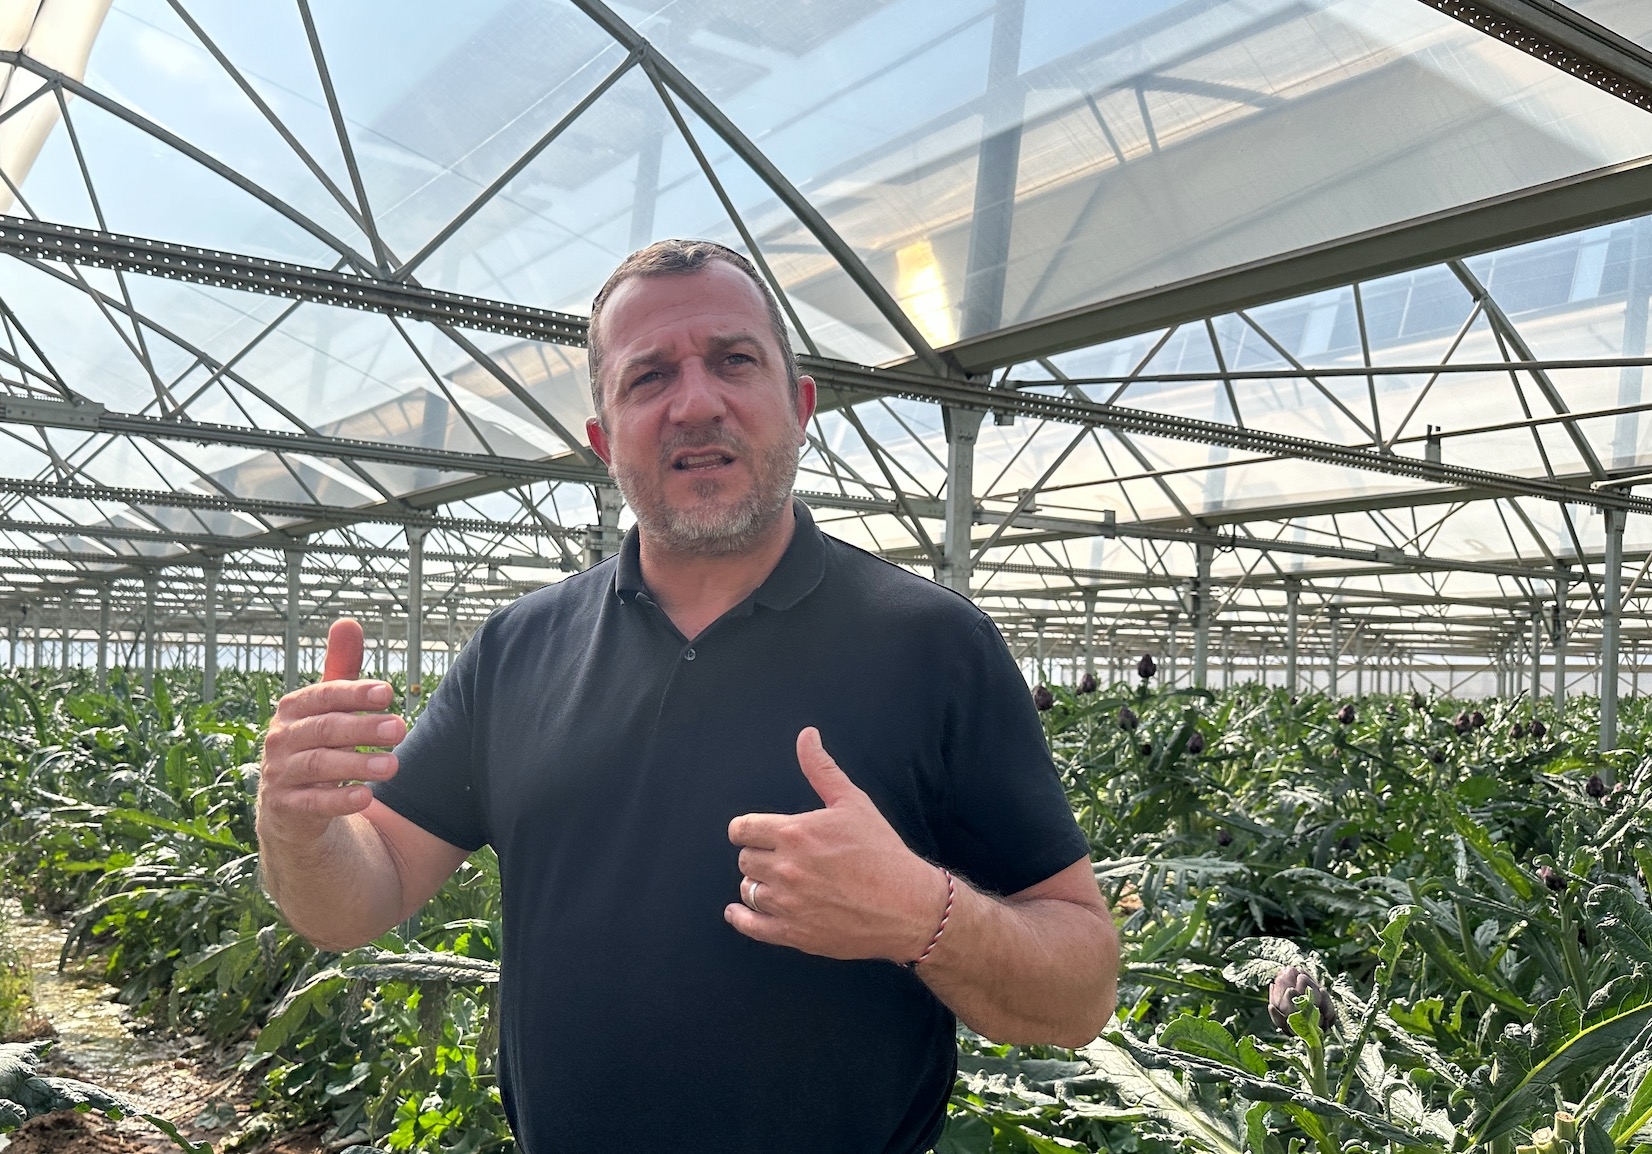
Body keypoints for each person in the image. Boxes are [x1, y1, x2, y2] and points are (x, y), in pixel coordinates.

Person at [256, 240, 1117, 1152]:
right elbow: (359, 898)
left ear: (800, 405)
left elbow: (1081, 991)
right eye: (648, 377)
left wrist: (923, 915)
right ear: (603, 441)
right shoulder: (517, 651)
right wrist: (297, 824)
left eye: (734, 361)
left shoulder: (935, 646)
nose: (696, 402)